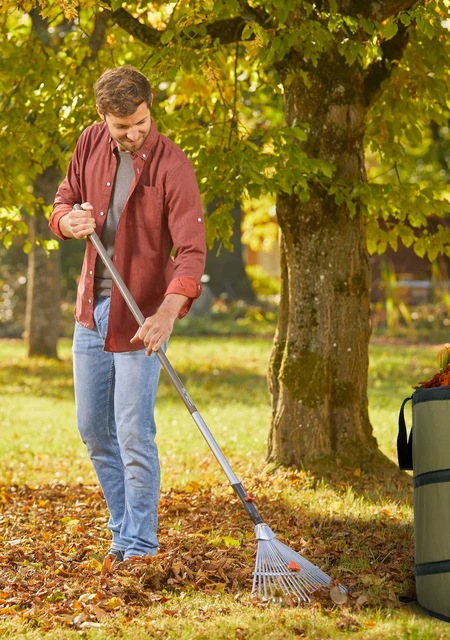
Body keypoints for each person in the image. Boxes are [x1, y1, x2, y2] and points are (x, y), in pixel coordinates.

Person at [50, 65, 206, 569]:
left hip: (142, 315)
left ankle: (140, 545)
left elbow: (191, 252)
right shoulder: (90, 143)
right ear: (103, 119)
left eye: (140, 122)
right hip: (90, 313)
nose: (134, 134)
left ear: (148, 108)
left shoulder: (173, 165)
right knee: (94, 428)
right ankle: (123, 531)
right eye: (123, 128)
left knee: (134, 432)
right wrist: (66, 222)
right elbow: (64, 202)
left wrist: (167, 313)